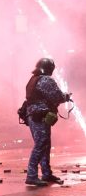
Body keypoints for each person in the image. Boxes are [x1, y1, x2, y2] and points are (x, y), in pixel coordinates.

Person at [24, 58, 71, 186]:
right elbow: (57, 96)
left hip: (33, 115)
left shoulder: (33, 79)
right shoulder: (45, 80)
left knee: (44, 144)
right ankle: (31, 175)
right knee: (41, 145)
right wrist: (66, 97)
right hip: (40, 115)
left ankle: (46, 173)